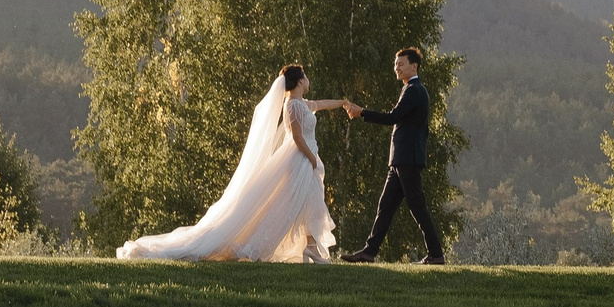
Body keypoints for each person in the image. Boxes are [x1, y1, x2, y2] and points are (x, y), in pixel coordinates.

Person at [117, 65, 346, 262]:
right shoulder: (292, 106)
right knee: (298, 203)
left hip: (305, 158)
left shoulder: (303, 104)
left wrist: (344, 103)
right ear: (298, 81)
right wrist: (312, 158)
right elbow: (296, 138)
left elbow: (322, 104)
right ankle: (307, 247)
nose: (308, 79)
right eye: (305, 76)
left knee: (311, 201)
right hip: (299, 158)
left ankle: (311, 247)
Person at [339, 47, 444, 264]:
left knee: (417, 206)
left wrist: (362, 112)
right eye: (395, 64)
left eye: (401, 64)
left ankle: (436, 255)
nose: (396, 67)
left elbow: (393, 117)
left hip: (407, 158)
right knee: (385, 206)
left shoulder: (415, 90)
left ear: (414, 66)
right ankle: (369, 252)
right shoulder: (411, 89)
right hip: (401, 159)